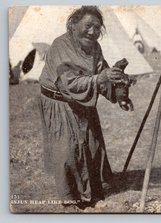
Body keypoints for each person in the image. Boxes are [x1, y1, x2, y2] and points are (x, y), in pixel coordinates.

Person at [38, 6, 129, 209]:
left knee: (91, 148)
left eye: (97, 27)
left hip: (82, 102)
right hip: (60, 103)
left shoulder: (95, 47)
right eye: (88, 25)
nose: (92, 31)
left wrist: (118, 89)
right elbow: (70, 84)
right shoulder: (60, 46)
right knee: (68, 151)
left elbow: (102, 75)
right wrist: (100, 78)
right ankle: (71, 200)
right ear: (73, 25)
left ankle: (93, 196)